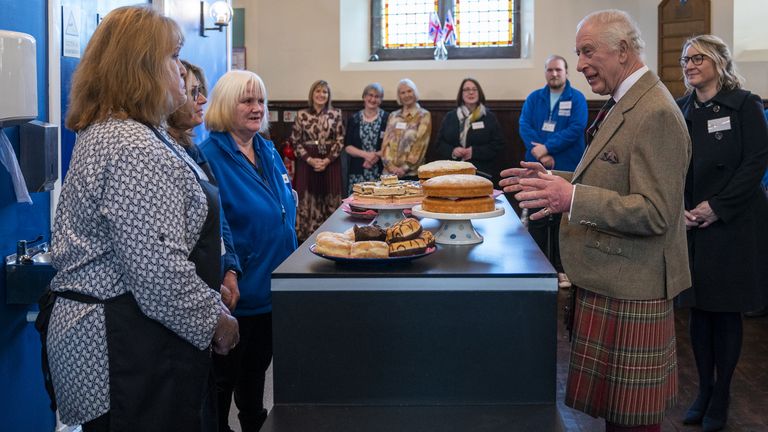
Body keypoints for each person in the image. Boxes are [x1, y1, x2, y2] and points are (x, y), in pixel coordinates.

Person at [45, 6, 238, 431]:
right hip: (123, 352)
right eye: (173, 59)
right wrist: (215, 320)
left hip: (128, 342)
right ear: (143, 69)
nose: (182, 74)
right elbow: (157, 273)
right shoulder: (131, 145)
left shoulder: (126, 132)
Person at [500, 10, 691, 432]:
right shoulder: (627, 101)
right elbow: (609, 176)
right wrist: (555, 180)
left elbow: (656, 212)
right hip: (613, 279)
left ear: (622, 50)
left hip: (633, 287)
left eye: (588, 52)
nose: (581, 63)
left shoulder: (655, 111)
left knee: (633, 422)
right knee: (616, 418)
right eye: (577, 53)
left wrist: (571, 197)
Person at [676, 34, 768, 431]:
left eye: (698, 58)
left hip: (733, 222)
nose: (689, 64)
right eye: (684, 60)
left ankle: (723, 393)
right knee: (699, 310)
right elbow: (672, 165)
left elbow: (756, 162)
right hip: (691, 222)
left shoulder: (744, 104)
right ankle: (703, 389)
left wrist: (717, 207)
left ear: (718, 60)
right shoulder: (680, 110)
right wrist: (677, 207)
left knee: (726, 312)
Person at [200, 70, 298, 432]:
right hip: (238, 295)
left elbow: (284, 201)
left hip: (274, 290)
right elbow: (216, 226)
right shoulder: (209, 156)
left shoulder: (266, 148)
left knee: (256, 383)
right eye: (247, 101)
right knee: (223, 387)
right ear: (227, 105)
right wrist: (231, 270)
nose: (257, 108)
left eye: (260, 101)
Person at [167, 60, 241, 310]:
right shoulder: (162, 156)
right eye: (194, 92)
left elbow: (217, 216)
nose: (202, 100)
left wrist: (230, 267)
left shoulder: (194, 151)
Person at [518, 55, 588, 289]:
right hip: (536, 167)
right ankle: (538, 266)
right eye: (550, 70)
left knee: (562, 222)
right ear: (545, 73)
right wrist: (539, 152)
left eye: (558, 70)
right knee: (537, 218)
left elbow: (577, 128)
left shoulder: (576, 98)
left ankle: (561, 267)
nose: (554, 74)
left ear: (566, 72)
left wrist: (548, 148)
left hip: (566, 166)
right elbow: (524, 126)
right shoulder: (534, 98)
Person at [289, 80, 345, 242]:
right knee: (308, 198)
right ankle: (306, 238)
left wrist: (327, 160)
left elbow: (340, 140)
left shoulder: (336, 114)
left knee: (330, 197)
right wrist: (310, 160)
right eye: (318, 91)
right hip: (307, 163)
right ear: (312, 94)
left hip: (331, 163)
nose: (321, 95)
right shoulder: (302, 114)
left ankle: (332, 236)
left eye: (325, 92)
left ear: (328, 96)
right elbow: (295, 141)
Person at [434, 77, 505, 183]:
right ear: (461, 94)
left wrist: (475, 152)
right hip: (452, 172)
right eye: (466, 89)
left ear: (479, 93)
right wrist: (453, 151)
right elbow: (439, 144)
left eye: (474, 89)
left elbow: (499, 145)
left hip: (481, 172)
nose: (470, 92)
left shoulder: (489, 117)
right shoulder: (450, 117)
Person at [381, 78, 431, 180]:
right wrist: (390, 166)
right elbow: (385, 144)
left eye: (409, 91)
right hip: (389, 173)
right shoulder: (393, 116)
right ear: (399, 96)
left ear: (415, 92)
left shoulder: (423, 115)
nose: (406, 95)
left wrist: (404, 169)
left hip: (411, 174)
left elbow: (420, 145)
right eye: (402, 92)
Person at [344, 83, 389, 195]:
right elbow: (348, 147)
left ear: (381, 100)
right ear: (364, 96)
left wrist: (376, 155)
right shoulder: (354, 119)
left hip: (380, 172)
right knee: (357, 207)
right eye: (370, 95)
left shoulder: (387, 118)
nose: (373, 99)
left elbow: (391, 145)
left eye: (377, 96)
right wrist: (367, 155)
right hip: (357, 172)